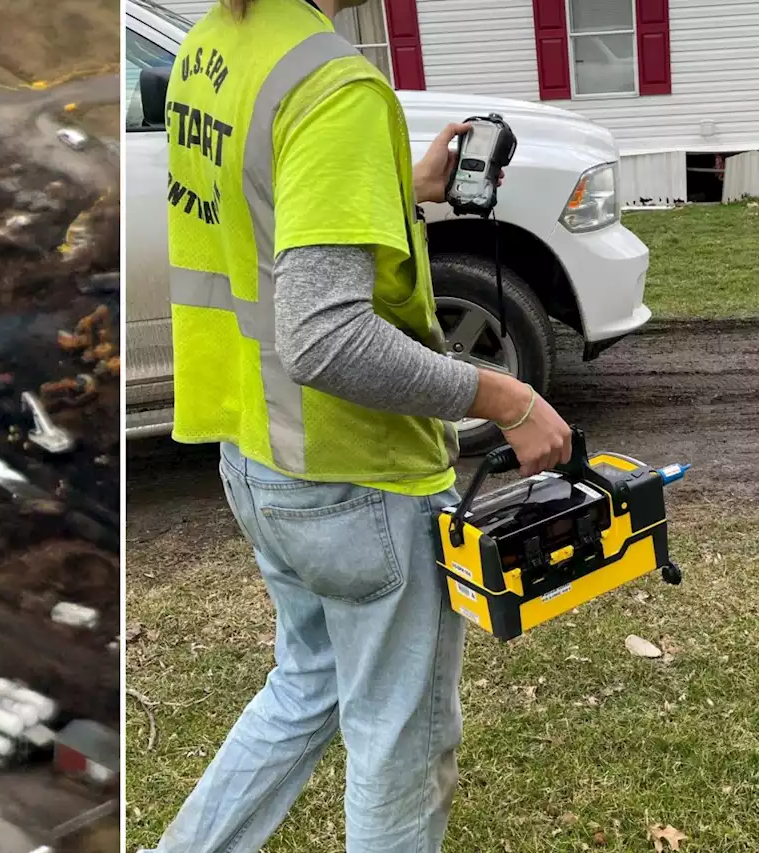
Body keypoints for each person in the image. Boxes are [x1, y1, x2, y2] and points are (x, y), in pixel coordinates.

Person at [143, 0, 574, 851]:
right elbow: (325, 337)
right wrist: (507, 398)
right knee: (399, 743)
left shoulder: (214, 44)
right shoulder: (334, 83)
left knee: (307, 685)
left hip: (258, 453)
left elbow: (261, 202)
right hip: (352, 472)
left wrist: (395, 186)